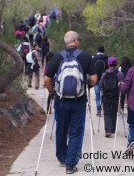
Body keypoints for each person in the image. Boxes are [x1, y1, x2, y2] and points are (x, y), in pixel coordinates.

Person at [44, 31, 97, 174]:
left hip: (60, 100)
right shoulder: (86, 57)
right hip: (78, 101)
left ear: (66, 42)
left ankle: (62, 158)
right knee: (75, 131)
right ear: (77, 41)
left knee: (61, 128)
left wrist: (52, 93)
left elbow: (47, 80)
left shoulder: (57, 57)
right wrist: (87, 86)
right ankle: (70, 163)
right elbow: (94, 79)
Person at [99, 56, 124, 137]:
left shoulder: (104, 74)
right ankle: (113, 129)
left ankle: (108, 130)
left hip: (106, 96)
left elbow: (100, 85)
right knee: (114, 112)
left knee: (106, 113)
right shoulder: (120, 74)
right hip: (115, 96)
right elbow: (122, 86)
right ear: (116, 64)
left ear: (108, 64)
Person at [92, 46, 108, 116]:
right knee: (103, 95)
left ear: (97, 50)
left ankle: (99, 111)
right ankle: (104, 108)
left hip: (96, 78)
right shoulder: (106, 58)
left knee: (97, 95)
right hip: (104, 78)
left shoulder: (94, 58)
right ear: (104, 50)